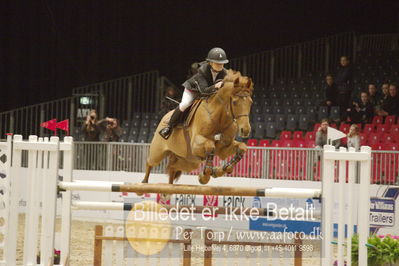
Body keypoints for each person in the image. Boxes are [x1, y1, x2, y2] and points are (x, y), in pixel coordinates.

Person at [159, 47, 229, 139]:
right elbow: (203, 91)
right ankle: (169, 127)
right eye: (218, 63)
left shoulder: (224, 72)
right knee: (185, 104)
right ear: (210, 63)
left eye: (222, 64)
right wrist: (216, 86)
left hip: (210, 93)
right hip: (193, 90)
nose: (220, 66)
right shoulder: (202, 71)